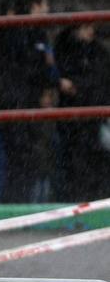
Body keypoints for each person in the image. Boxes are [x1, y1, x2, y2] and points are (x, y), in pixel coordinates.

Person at [0, 0, 74, 202]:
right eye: (45, 5)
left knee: (31, 158)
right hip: (16, 105)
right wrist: (54, 82)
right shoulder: (20, 31)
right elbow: (29, 68)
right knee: (19, 160)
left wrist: (49, 82)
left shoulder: (34, 33)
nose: (48, 11)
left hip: (25, 104)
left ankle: (25, 205)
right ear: (34, 6)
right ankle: (14, 208)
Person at [54, 21, 110, 200]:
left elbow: (100, 80)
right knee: (77, 162)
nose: (90, 31)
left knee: (95, 161)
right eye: (85, 27)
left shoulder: (98, 52)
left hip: (93, 116)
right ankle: (82, 199)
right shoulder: (67, 49)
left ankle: (94, 199)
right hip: (77, 118)